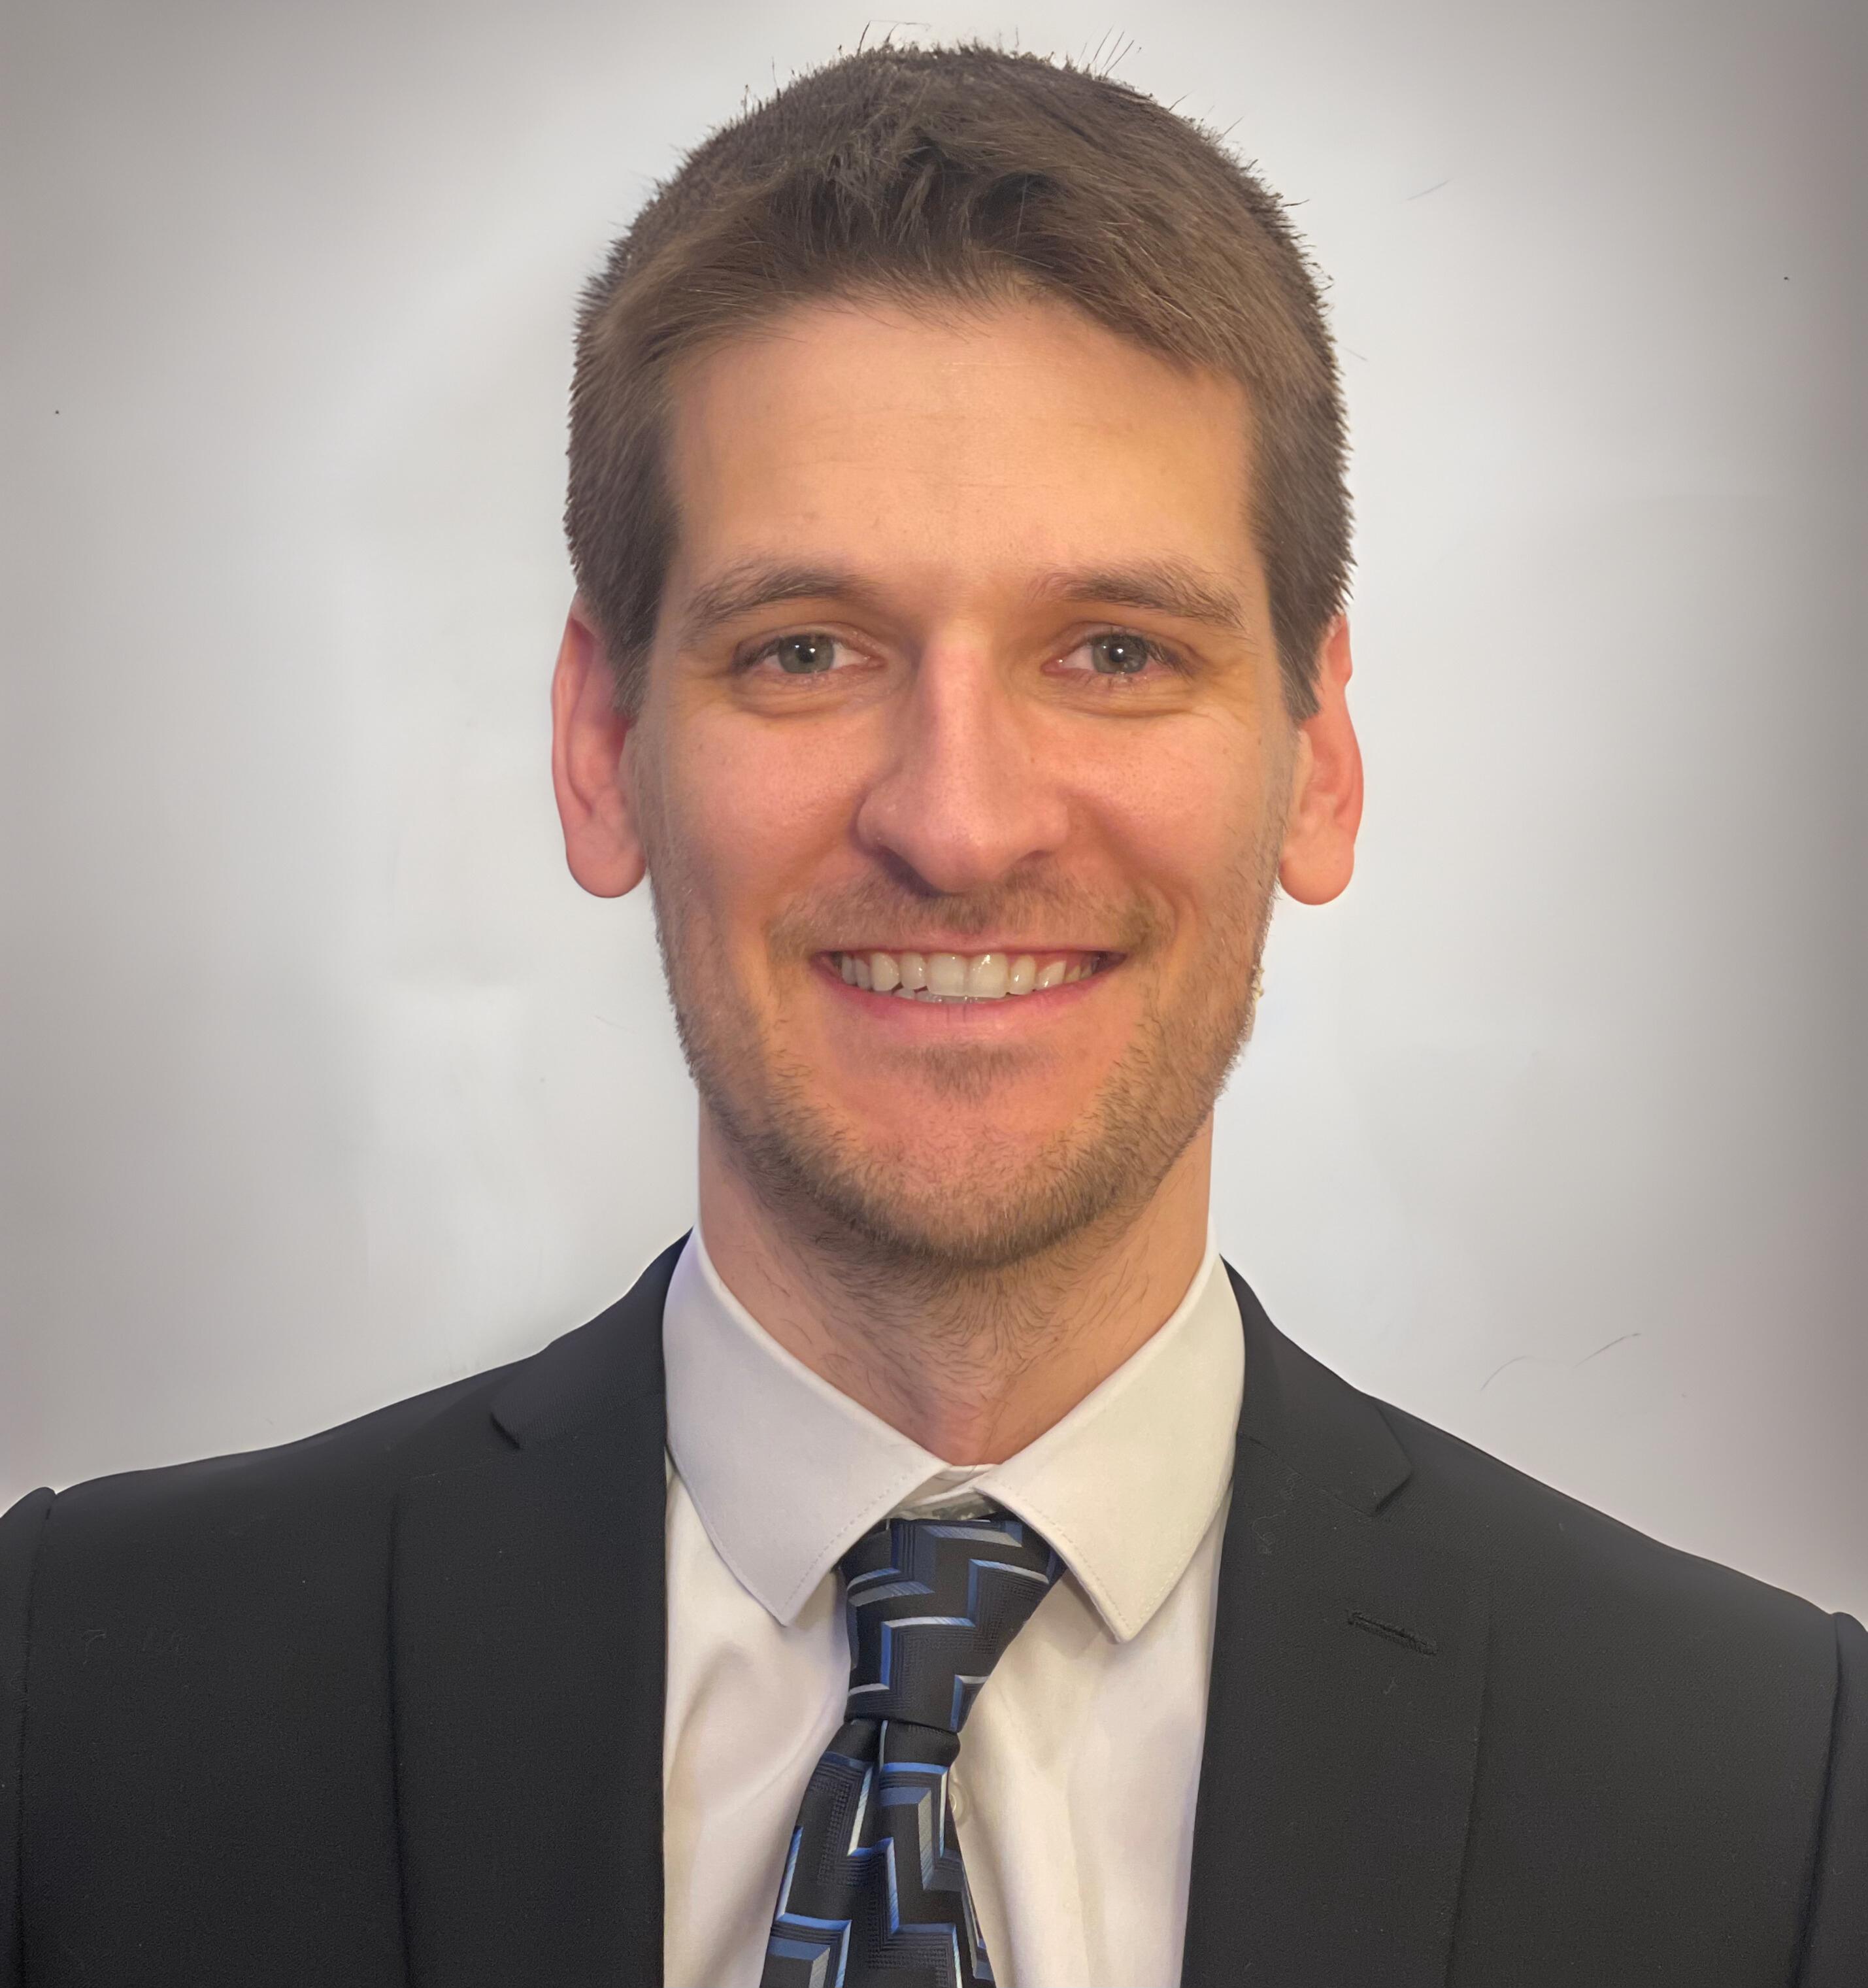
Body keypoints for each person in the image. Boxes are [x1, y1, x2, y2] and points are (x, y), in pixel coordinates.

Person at [1, 41, 1861, 1988]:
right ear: (601, 745)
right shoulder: (76, 1711)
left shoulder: (1772, 1800)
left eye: (1114, 651)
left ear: (1318, 761)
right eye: (806, 650)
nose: (957, 823)